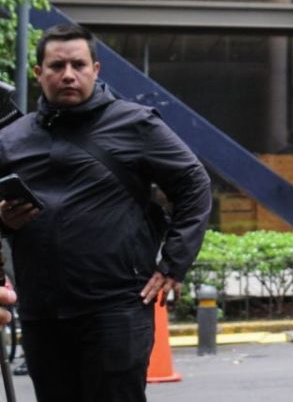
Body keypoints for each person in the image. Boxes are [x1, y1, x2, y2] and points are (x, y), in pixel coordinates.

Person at [0, 23, 212, 402]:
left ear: (96, 70)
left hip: (116, 309)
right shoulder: (12, 138)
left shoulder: (136, 123)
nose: (68, 74)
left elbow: (194, 183)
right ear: (38, 73)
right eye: (56, 66)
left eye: (78, 65)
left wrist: (174, 264)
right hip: (41, 312)